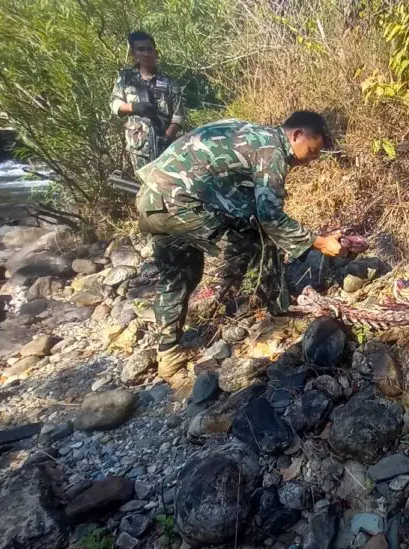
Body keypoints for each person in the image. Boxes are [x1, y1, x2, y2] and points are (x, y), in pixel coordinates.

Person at [135, 111, 344, 385]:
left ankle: (169, 354)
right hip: (180, 204)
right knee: (260, 240)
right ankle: (279, 313)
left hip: (152, 200)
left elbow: (236, 196)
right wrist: (319, 242)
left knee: (178, 276)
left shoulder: (248, 132)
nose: (310, 160)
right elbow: (270, 218)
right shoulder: (272, 150)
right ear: (297, 135)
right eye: (312, 151)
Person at [110, 31, 184, 175]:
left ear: (155, 52)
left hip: (165, 148)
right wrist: (134, 107)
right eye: (141, 49)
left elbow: (178, 116)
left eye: (149, 49)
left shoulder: (168, 82)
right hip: (138, 147)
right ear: (133, 53)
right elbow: (114, 103)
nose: (146, 54)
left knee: (165, 183)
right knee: (143, 183)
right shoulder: (126, 78)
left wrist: (167, 137)